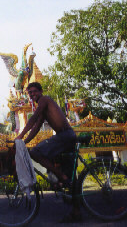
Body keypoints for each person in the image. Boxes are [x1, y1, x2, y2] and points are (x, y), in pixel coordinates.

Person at [15, 82, 81, 222]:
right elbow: (36, 128)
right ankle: (76, 212)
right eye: (29, 93)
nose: (32, 94)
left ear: (40, 91)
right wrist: (23, 142)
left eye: (34, 91)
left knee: (35, 152)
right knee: (71, 179)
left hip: (65, 136)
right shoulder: (43, 108)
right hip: (66, 137)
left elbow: (32, 119)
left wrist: (19, 136)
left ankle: (59, 176)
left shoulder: (45, 100)